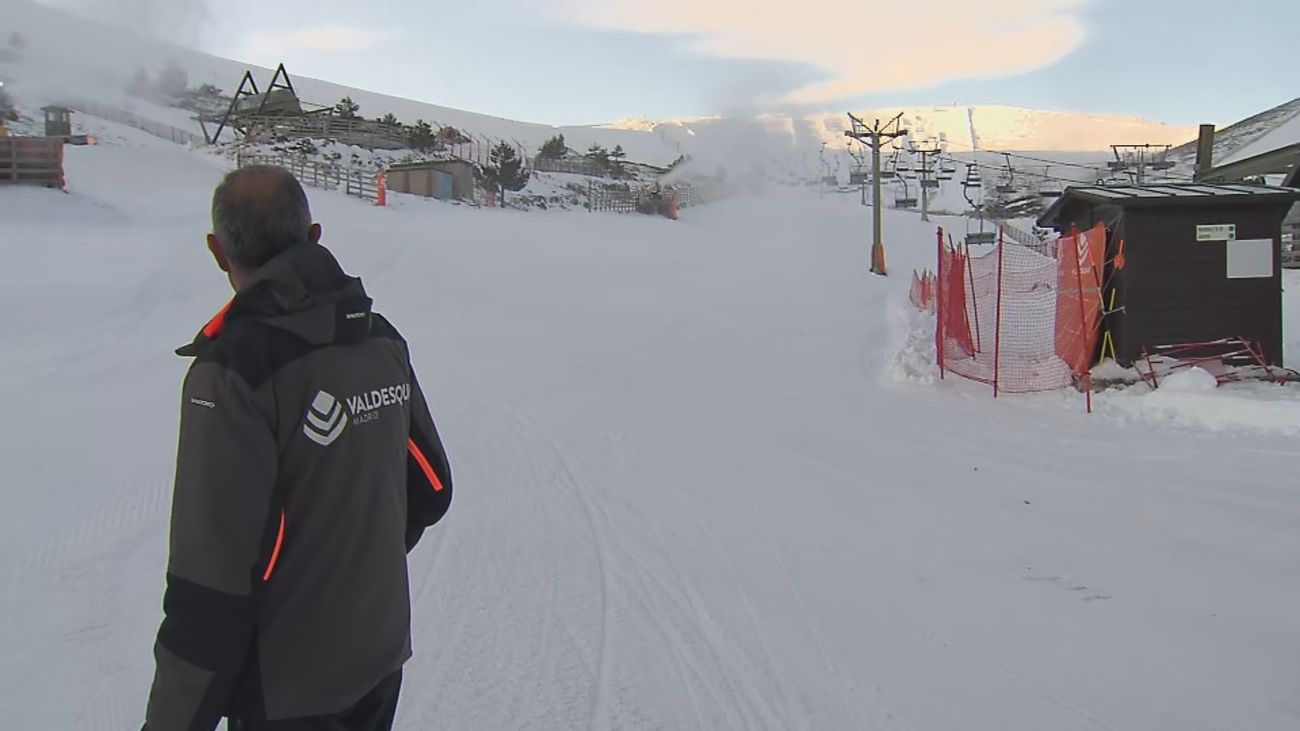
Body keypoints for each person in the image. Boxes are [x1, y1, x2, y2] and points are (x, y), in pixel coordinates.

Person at [143, 165, 452, 731]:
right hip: (377, 659)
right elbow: (431, 488)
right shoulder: (379, 338)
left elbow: (210, 584)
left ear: (218, 251)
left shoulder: (234, 374)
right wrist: (352, 561)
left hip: (289, 691)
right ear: (314, 238)